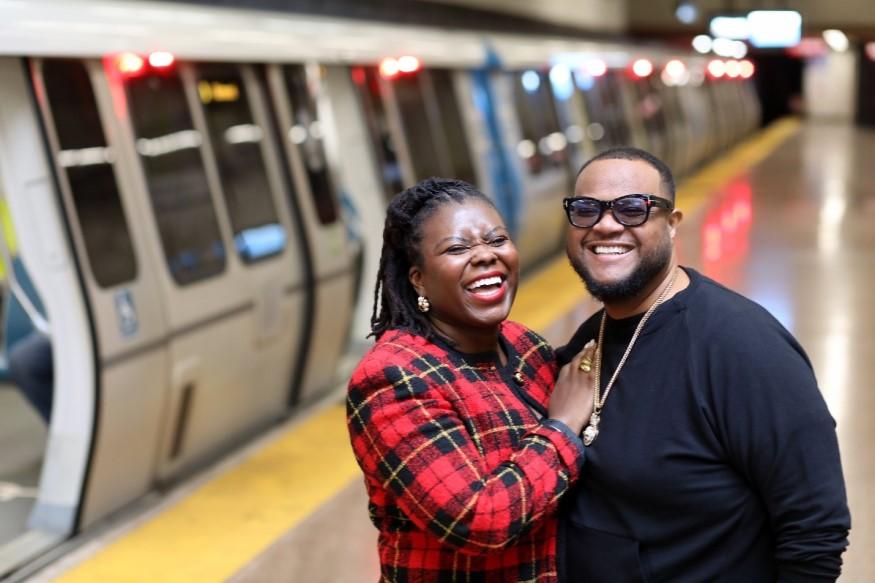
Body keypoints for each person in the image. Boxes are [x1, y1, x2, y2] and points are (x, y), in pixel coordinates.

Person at [556, 147, 851, 581]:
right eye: (585, 209)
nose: (605, 224)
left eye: (633, 209)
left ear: (673, 224)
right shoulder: (588, 341)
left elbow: (815, 530)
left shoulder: (744, 348)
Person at [347, 177, 597, 581]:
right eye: (457, 248)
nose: (485, 256)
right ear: (418, 279)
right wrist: (563, 426)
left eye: (497, 240)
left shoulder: (524, 345)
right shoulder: (393, 379)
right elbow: (477, 520)